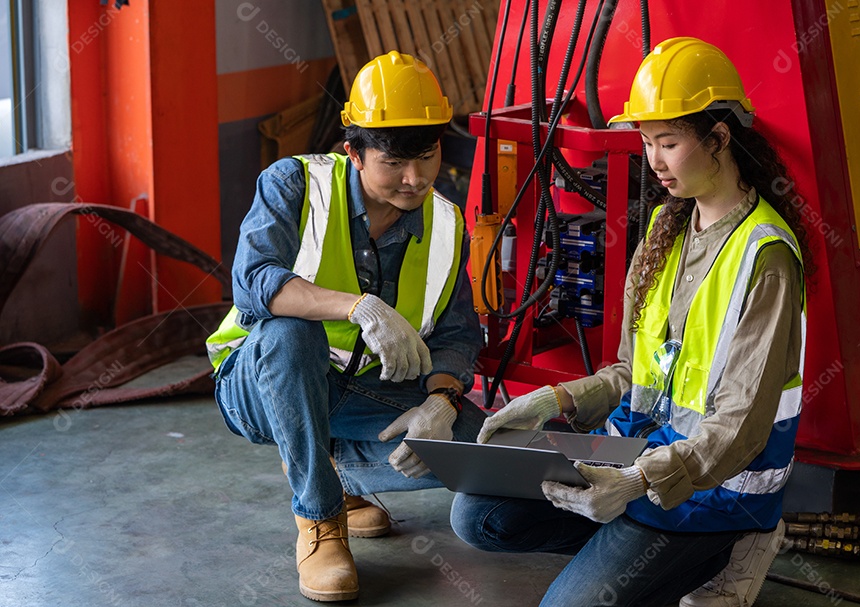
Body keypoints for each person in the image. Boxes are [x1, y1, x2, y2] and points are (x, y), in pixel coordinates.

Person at [450, 37, 809, 607]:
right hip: (632, 458)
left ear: (720, 138)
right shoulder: (666, 231)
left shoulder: (765, 259)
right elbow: (631, 371)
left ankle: (737, 547)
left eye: (669, 143)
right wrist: (555, 400)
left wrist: (636, 482)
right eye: (646, 142)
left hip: (709, 492)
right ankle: (624, 542)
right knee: (477, 514)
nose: (654, 161)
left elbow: (738, 427)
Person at [205, 51, 485, 602]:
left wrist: (441, 401)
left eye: (426, 157)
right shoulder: (294, 184)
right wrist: (358, 307)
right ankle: (319, 516)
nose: (415, 178)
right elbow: (253, 280)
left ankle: (339, 472)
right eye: (394, 163)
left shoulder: (447, 223)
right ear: (353, 152)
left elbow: (456, 334)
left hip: (360, 391)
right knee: (290, 334)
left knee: (479, 449)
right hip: (261, 381)